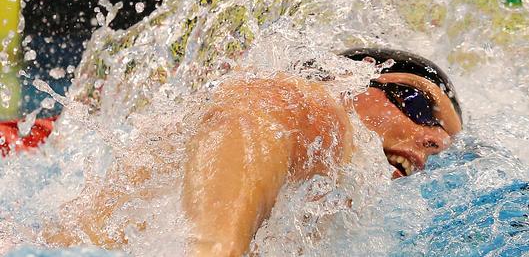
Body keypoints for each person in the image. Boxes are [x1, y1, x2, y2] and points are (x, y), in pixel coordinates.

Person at [17, 47, 461, 256]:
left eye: (443, 144)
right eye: (419, 106)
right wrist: (216, 249)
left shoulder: (328, 200)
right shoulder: (315, 104)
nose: (434, 140)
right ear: (348, 77)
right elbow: (260, 110)